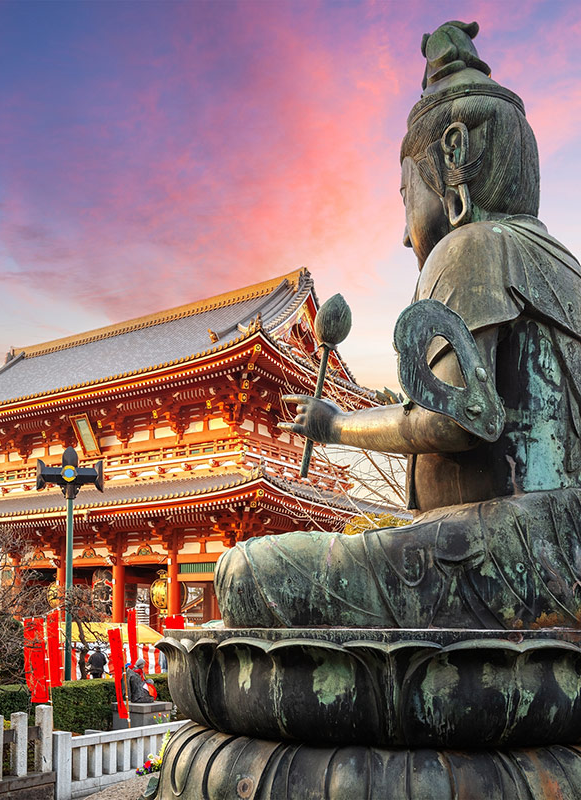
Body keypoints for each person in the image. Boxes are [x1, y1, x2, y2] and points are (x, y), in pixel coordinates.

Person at [215, 20, 581, 631]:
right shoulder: (566, 268)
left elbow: (456, 420)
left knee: (245, 573)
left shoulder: (474, 247)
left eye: (405, 196)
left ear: (454, 152)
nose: (402, 226)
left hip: (518, 554)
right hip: (554, 543)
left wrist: (334, 425)